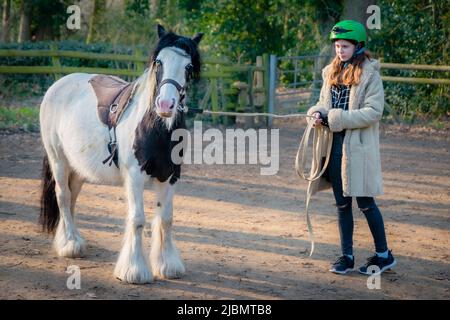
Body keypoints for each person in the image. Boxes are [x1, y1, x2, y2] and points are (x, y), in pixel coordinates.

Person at [306, 20, 396, 275]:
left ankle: (383, 254)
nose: (340, 51)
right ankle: (346, 256)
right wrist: (316, 113)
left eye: (344, 46)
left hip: (358, 149)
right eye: (337, 46)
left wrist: (335, 118)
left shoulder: (370, 75)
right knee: (342, 204)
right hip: (333, 147)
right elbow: (324, 103)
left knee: (366, 202)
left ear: (357, 46)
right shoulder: (330, 72)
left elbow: (372, 112)